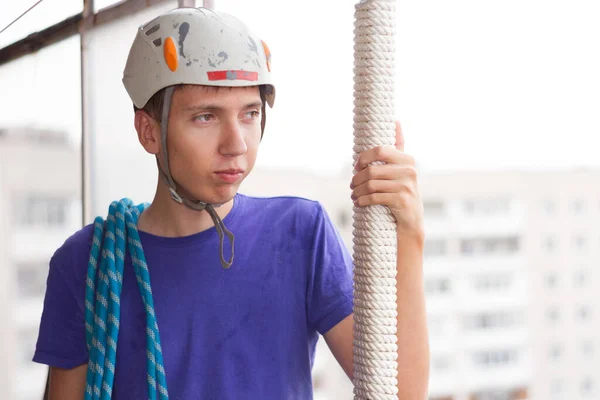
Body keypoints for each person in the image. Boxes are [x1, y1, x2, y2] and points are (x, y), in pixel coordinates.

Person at [33, 6, 429, 400]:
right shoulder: (88, 263)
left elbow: (403, 393)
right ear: (148, 131)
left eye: (250, 114)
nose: (236, 144)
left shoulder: (300, 234)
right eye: (206, 117)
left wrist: (409, 235)